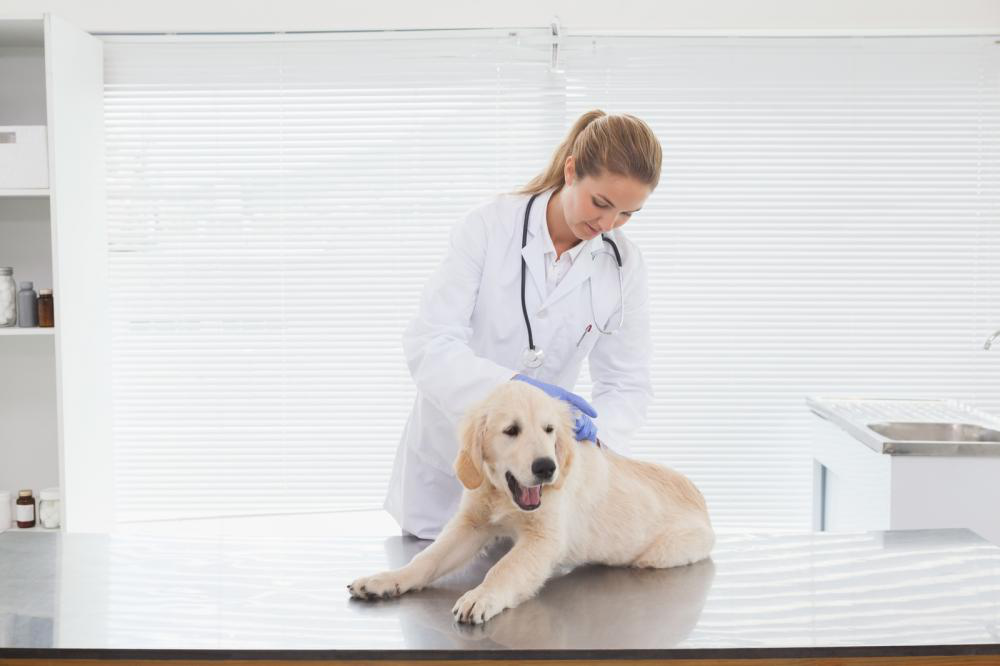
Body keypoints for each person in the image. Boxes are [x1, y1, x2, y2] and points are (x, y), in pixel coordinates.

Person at [384, 109, 662, 539]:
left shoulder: (623, 265)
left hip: (540, 483)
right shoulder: (489, 228)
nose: (607, 225)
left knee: (521, 588)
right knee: (430, 583)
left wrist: (590, 438)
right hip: (451, 475)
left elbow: (627, 383)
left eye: (628, 213)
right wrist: (515, 388)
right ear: (571, 170)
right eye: (601, 203)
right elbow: (431, 343)